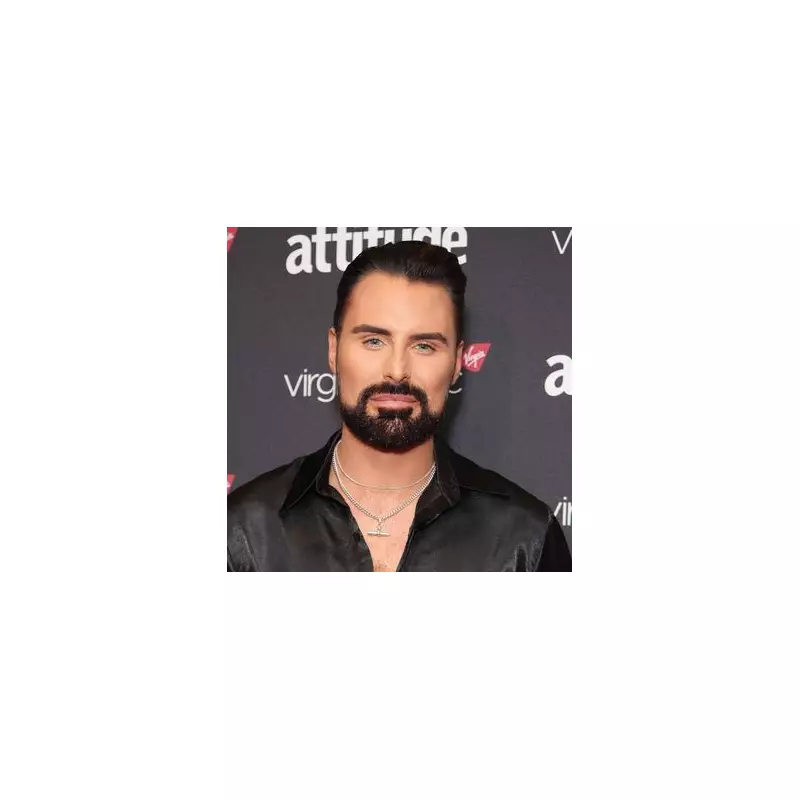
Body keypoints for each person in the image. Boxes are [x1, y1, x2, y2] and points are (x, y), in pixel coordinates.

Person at [228, 240, 571, 572]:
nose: (396, 370)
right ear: (333, 350)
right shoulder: (243, 530)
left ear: (456, 363)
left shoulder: (525, 539)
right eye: (374, 341)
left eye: (424, 346)